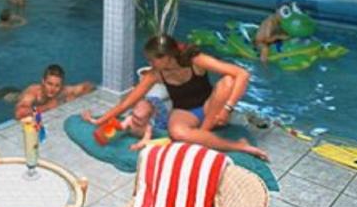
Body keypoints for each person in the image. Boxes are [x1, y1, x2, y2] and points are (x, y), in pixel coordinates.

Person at [83, 35, 269, 160]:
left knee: (227, 81)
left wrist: (228, 107)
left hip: (210, 107)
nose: (150, 63)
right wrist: (101, 120)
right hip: (185, 112)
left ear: (167, 56)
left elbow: (242, 74)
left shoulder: (196, 60)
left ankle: (202, 135)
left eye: (153, 59)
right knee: (177, 133)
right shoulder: (156, 74)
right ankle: (238, 145)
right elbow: (128, 102)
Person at [13, 64, 95, 120]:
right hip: (11, 96)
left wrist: (71, 99)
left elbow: (89, 86)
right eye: (49, 84)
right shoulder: (33, 93)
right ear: (43, 81)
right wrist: (47, 107)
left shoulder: (62, 91)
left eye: (57, 85)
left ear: (61, 85)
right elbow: (19, 113)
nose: (52, 89)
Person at [85, 99, 157, 151]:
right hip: (129, 131)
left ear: (148, 119)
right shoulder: (130, 119)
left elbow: (145, 139)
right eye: (134, 115)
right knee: (112, 125)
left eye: (139, 119)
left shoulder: (148, 127)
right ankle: (91, 119)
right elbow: (120, 127)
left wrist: (138, 145)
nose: (135, 120)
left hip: (139, 137)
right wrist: (109, 130)